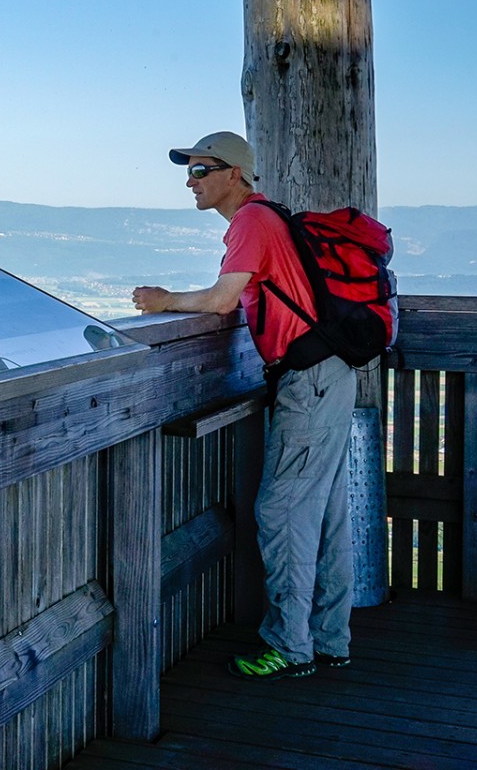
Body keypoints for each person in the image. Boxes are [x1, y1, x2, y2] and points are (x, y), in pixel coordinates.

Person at [132, 131, 354, 680]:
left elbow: (220, 300)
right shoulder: (264, 219)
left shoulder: (252, 223)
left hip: (309, 382)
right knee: (323, 513)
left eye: (201, 170)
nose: (190, 181)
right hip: (324, 375)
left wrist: (162, 302)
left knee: (282, 513)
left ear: (235, 174)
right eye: (190, 171)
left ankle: (290, 647)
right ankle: (329, 638)